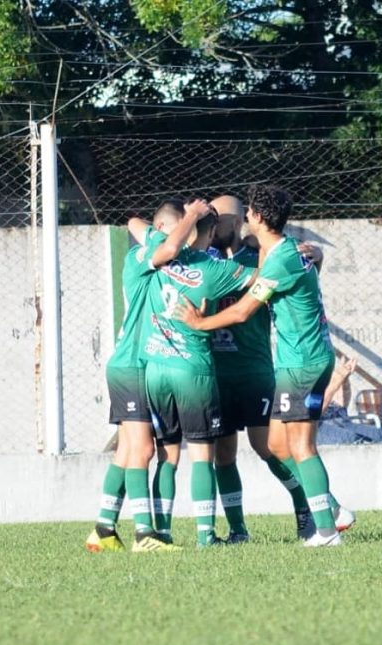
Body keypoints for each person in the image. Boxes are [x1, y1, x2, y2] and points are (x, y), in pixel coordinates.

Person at [175, 184, 346, 547]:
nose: (214, 222)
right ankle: (330, 510)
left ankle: (325, 529)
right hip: (284, 362)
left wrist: (198, 323)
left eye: (225, 216)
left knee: (295, 447)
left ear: (248, 219)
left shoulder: (272, 258)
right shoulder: (276, 252)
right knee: (281, 445)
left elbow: (242, 310)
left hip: (291, 364)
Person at [206, 195, 325, 543]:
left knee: (270, 448)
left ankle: (307, 507)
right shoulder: (204, 259)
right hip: (217, 372)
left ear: (240, 220)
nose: (215, 225)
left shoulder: (261, 256)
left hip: (255, 370)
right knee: (223, 455)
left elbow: (302, 272)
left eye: (221, 218)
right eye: (211, 218)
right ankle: (238, 530)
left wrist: (319, 256)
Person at [143, 198, 258, 548]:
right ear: (210, 232)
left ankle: (161, 532)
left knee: (167, 455)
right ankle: (206, 534)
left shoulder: (163, 254)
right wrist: (264, 244)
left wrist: (189, 216)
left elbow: (136, 224)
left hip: (155, 367)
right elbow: (266, 276)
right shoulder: (215, 271)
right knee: (203, 456)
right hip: (193, 372)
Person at [85, 198, 187, 553]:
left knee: (128, 450)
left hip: (140, 366)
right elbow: (139, 225)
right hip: (130, 366)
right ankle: (144, 534)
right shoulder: (141, 257)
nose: (180, 243)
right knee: (143, 449)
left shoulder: (165, 263)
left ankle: (103, 528)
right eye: (175, 233)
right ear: (159, 232)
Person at [318, 355, 382, 445]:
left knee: (381, 435)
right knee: (351, 439)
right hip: (313, 428)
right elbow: (307, 415)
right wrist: (335, 382)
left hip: (341, 420)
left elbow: (341, 403)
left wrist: (344, 382)